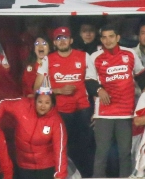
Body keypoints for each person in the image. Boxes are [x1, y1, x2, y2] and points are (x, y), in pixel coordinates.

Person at [87, 27, 139, 178]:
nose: (107, 40)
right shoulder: (95, 56)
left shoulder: (130, 53)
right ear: (101, 39)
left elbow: (141, 74)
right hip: (104, 113)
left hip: (126, 113)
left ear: (118, 37)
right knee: (101, 153)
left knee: (125, 153)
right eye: (104, 37)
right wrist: (99, 90)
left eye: (111, 36)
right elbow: (89, 80)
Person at [39, 27, 91, 178]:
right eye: (58, 39)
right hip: (61, 111)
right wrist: (60, 90)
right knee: (63, 148)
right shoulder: (48, 59)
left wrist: (96, 112)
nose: (62, 41)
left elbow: (94, 83)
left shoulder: (84, 56)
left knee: (85, 148)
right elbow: (38, 89)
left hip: (83, 109)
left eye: (65, 38)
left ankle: (86, 176)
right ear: (54, 42)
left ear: (71, 40)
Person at [0, 91, 66, 179]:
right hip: (23, 165)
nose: (43, 106)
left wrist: (60, 174)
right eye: (40, 102)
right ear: (35, 101)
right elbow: (3, 103)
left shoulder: (56, 121)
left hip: (46, 167)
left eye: (47, 103)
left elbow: (60, 150)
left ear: (52, 104)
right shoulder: (23, 105)